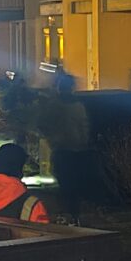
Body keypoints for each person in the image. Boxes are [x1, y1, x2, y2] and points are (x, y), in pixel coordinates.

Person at [38, 73, 90, 224]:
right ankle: (73, 215)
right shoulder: (76, 106)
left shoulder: (55, 105)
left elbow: (42, 125)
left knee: (66, 185)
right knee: (71, 186)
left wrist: (53, 139)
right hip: (72, 150)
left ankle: (69, 215)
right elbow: (84, 126)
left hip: (64, 150)